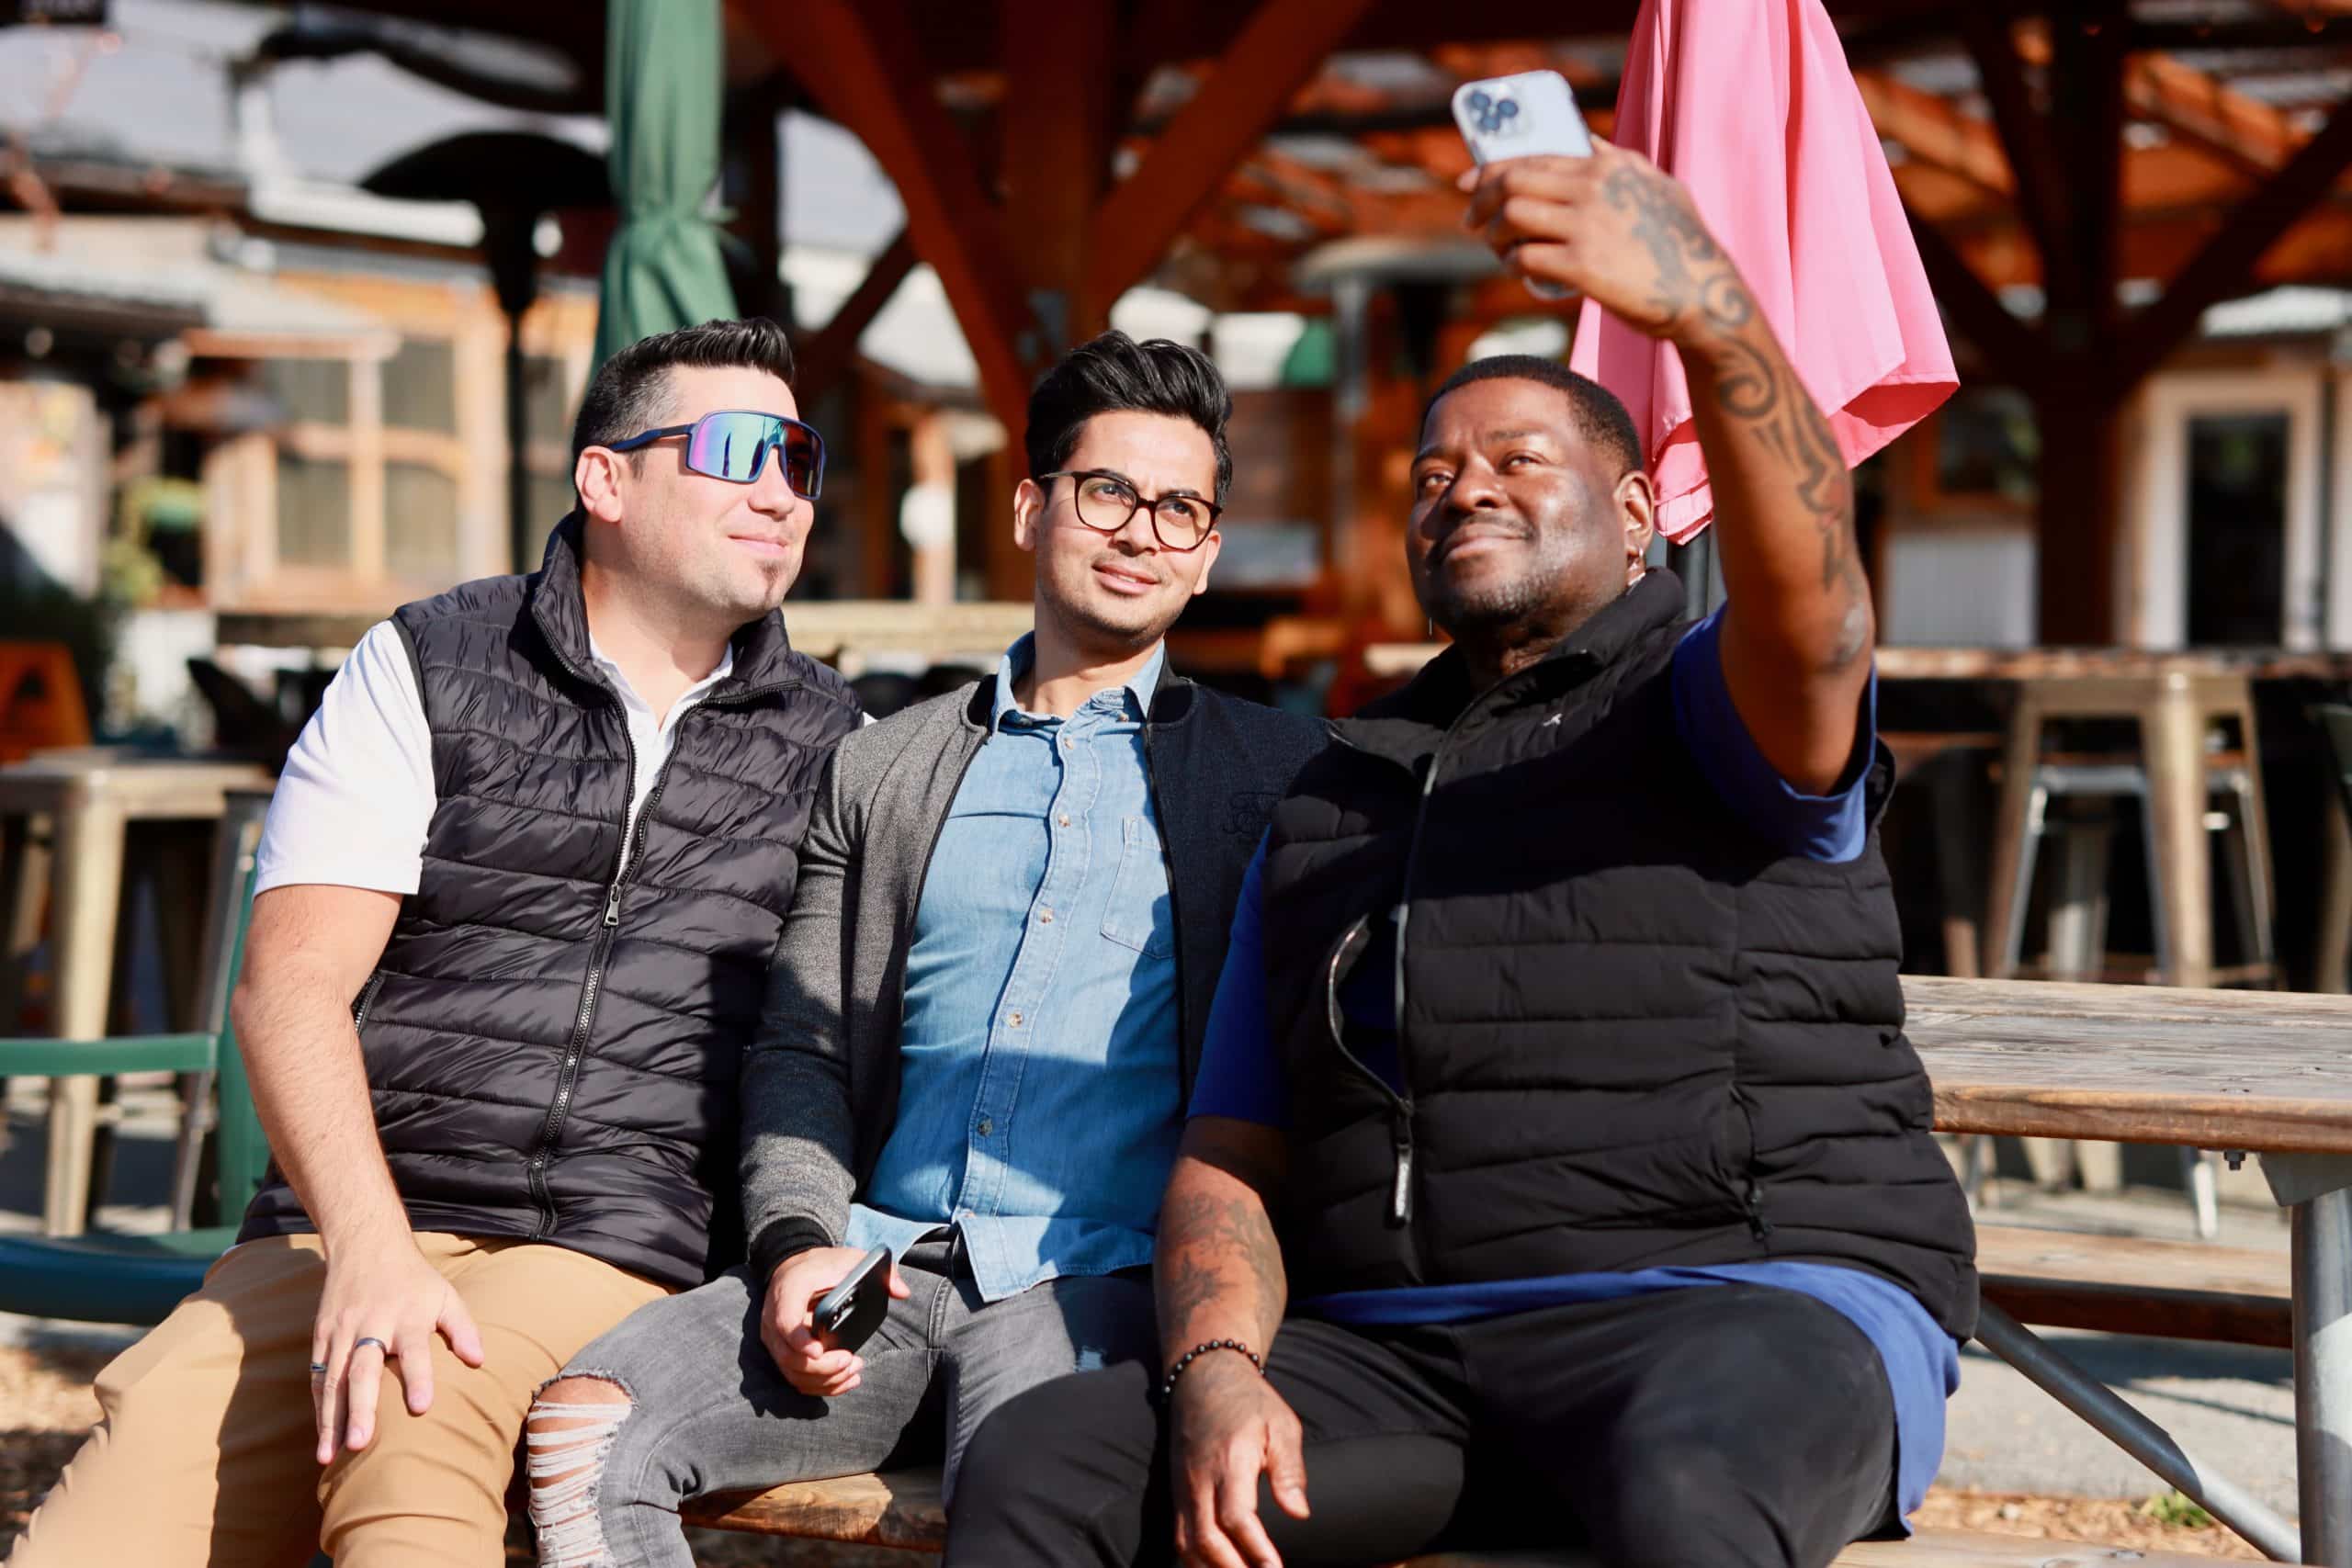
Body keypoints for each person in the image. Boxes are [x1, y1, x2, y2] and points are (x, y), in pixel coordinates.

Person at [947, 140, 1976, 1568]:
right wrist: (1220, 1371)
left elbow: (1820, 616)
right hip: (1398, 1355)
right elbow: (1233, 1151)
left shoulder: (1710, 707)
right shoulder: (1335, 795)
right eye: (1435, 470)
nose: (1464, 487)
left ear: (1636, 519)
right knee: (1047, 1461)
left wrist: (1711, 315)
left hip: (1741, 1305)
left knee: (1684, 1494)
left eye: (1518, 460)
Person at [8, 318, 864, 1568]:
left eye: (802, 458)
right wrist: (368, 1249)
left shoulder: (832, 746)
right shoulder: (426, 667)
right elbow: (290, 985)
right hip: (341, 1223)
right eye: (741, 450)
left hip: (615, 1240)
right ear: (605, 477)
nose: (781, 490)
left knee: (414, 1429)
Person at [521, 331, 1329, 1568]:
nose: (1140, 531)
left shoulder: (1278, 783)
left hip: (1097, 1282)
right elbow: (802, 1040)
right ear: (1030, 506)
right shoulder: (886, 764)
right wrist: (794, 1242)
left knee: (1023, 1498)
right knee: (586, 1433)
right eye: (1107, 491)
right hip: (877, 1269)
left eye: (1180, 509)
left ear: (1210, 553)